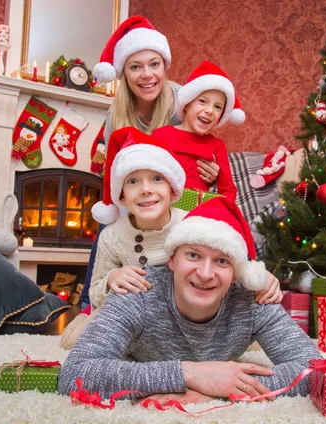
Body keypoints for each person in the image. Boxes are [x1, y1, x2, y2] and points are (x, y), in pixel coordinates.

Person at [58, 196, 321, 403]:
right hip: (118, 321)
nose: (205, 274)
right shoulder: (138, 291)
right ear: (172, 259)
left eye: (221, 261)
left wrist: (221, 389)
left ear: (236, 274)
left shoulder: (251, 299)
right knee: (79, 335)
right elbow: (74, 376)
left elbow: (316, 371)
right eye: (193, 255)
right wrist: (191, 374)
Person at [59, 128, 282, 349]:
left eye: (157, 179)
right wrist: (111, 278)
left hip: (181, 312)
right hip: (134, 311)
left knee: (248, 344)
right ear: (122, 195)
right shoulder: (112, 236)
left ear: (173, 189)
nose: (146, 189)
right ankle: (59, 308)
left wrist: (262, 278)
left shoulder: (192, 224)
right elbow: (95, 291)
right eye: (133, 181)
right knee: (74, 341)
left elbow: (226, 258)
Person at [80, 16, 221, 307]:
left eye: (154, 64)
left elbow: (205, 143)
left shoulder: (183, 100)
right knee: (109, 232)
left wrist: (215, 171)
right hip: (133, 200)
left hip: (178, 201)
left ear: (164, 66)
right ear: (123, 74)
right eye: (135, 66)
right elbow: (111, 175)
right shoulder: (114, 117)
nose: (147, 75)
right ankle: (88, 306)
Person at [152, 61, 244, 202]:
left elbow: (228, 190)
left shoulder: (216, 146)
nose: (209, 111)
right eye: (202, 101)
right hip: (161, 207)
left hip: (195, 213)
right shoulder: (161, 135)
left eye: (218, 107)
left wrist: (224, 212)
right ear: (187, 104)